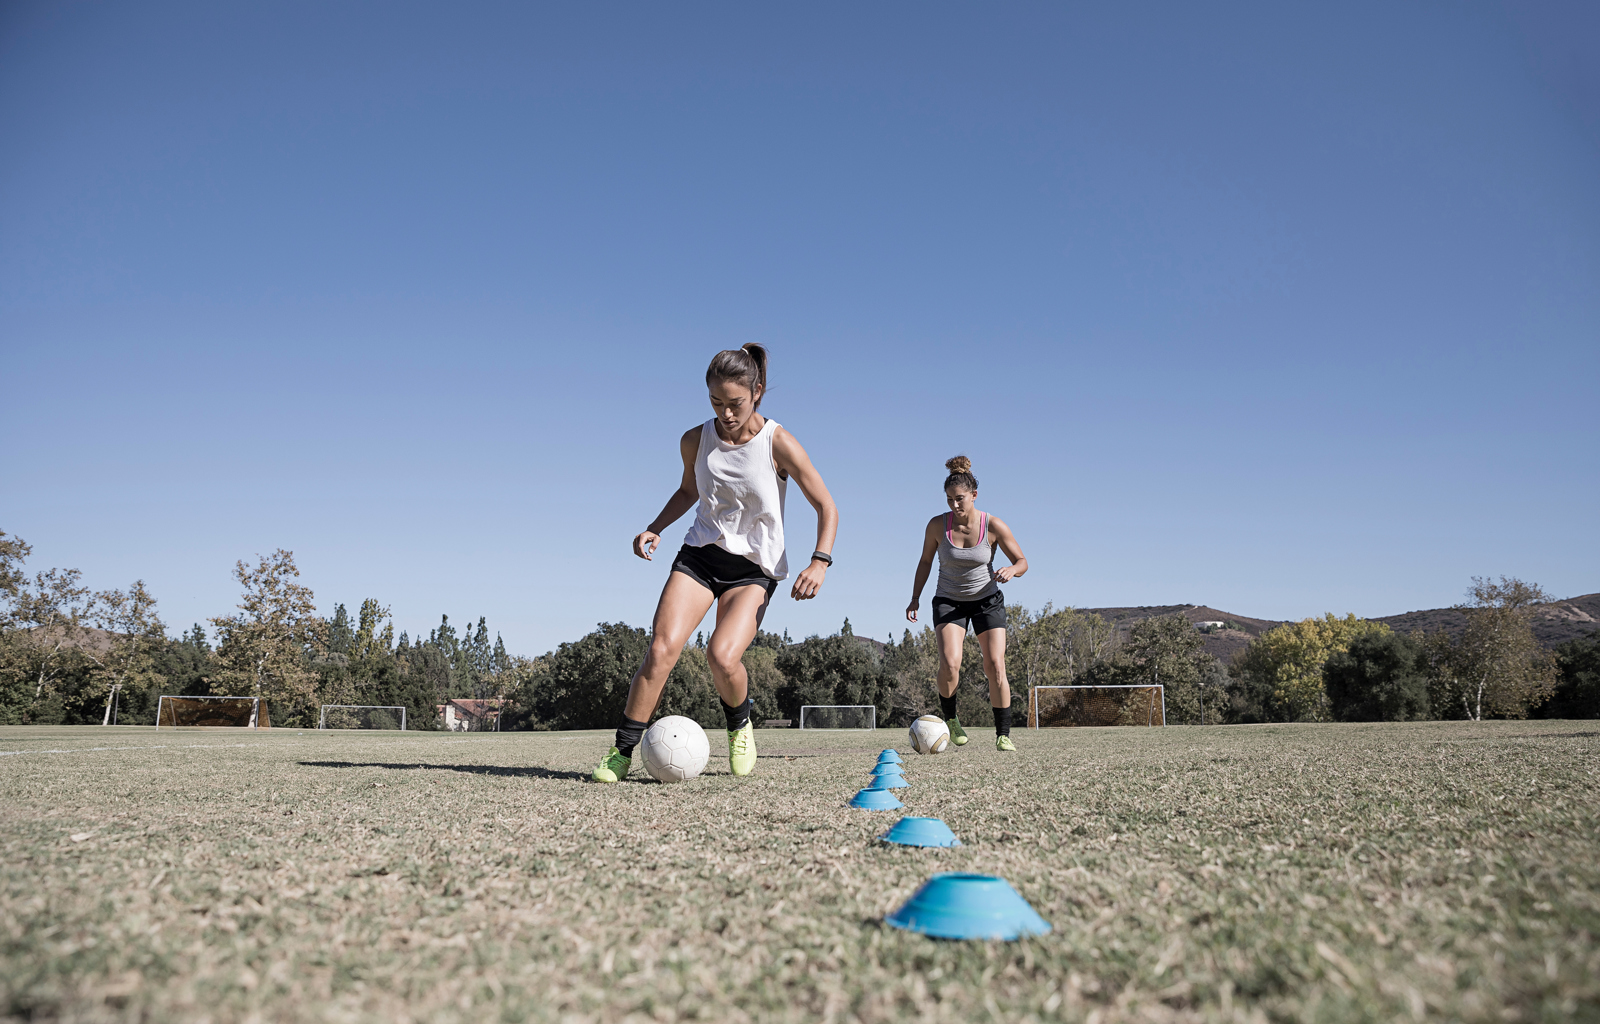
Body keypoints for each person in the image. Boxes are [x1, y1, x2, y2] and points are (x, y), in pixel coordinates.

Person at [593, 344, 839, 782]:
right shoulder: (695, 439)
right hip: (700, 556)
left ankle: (739, 725)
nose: (725, 414)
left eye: (735, 404)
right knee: (661, 651)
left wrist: (819, 561)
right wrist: (655, 526)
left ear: (757, 392)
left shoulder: (778, 442)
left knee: (722, 658)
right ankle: (621, 752)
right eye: (716, 403)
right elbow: (688, 492)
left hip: (753, 570)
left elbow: (826, 505)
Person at [905, 456, 1029, 751]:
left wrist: (1012, 570)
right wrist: (914, 598)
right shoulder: (937, 525)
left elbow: (1022, 561)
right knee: (950, 664)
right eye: (949, 500)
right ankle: (951, 720)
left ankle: (1003, 734)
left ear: (974, 495)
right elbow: (925, 561)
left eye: (959, 499)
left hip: (987, 601)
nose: (954, 505)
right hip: (949, 601)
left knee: (995, 665)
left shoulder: (993, 525)